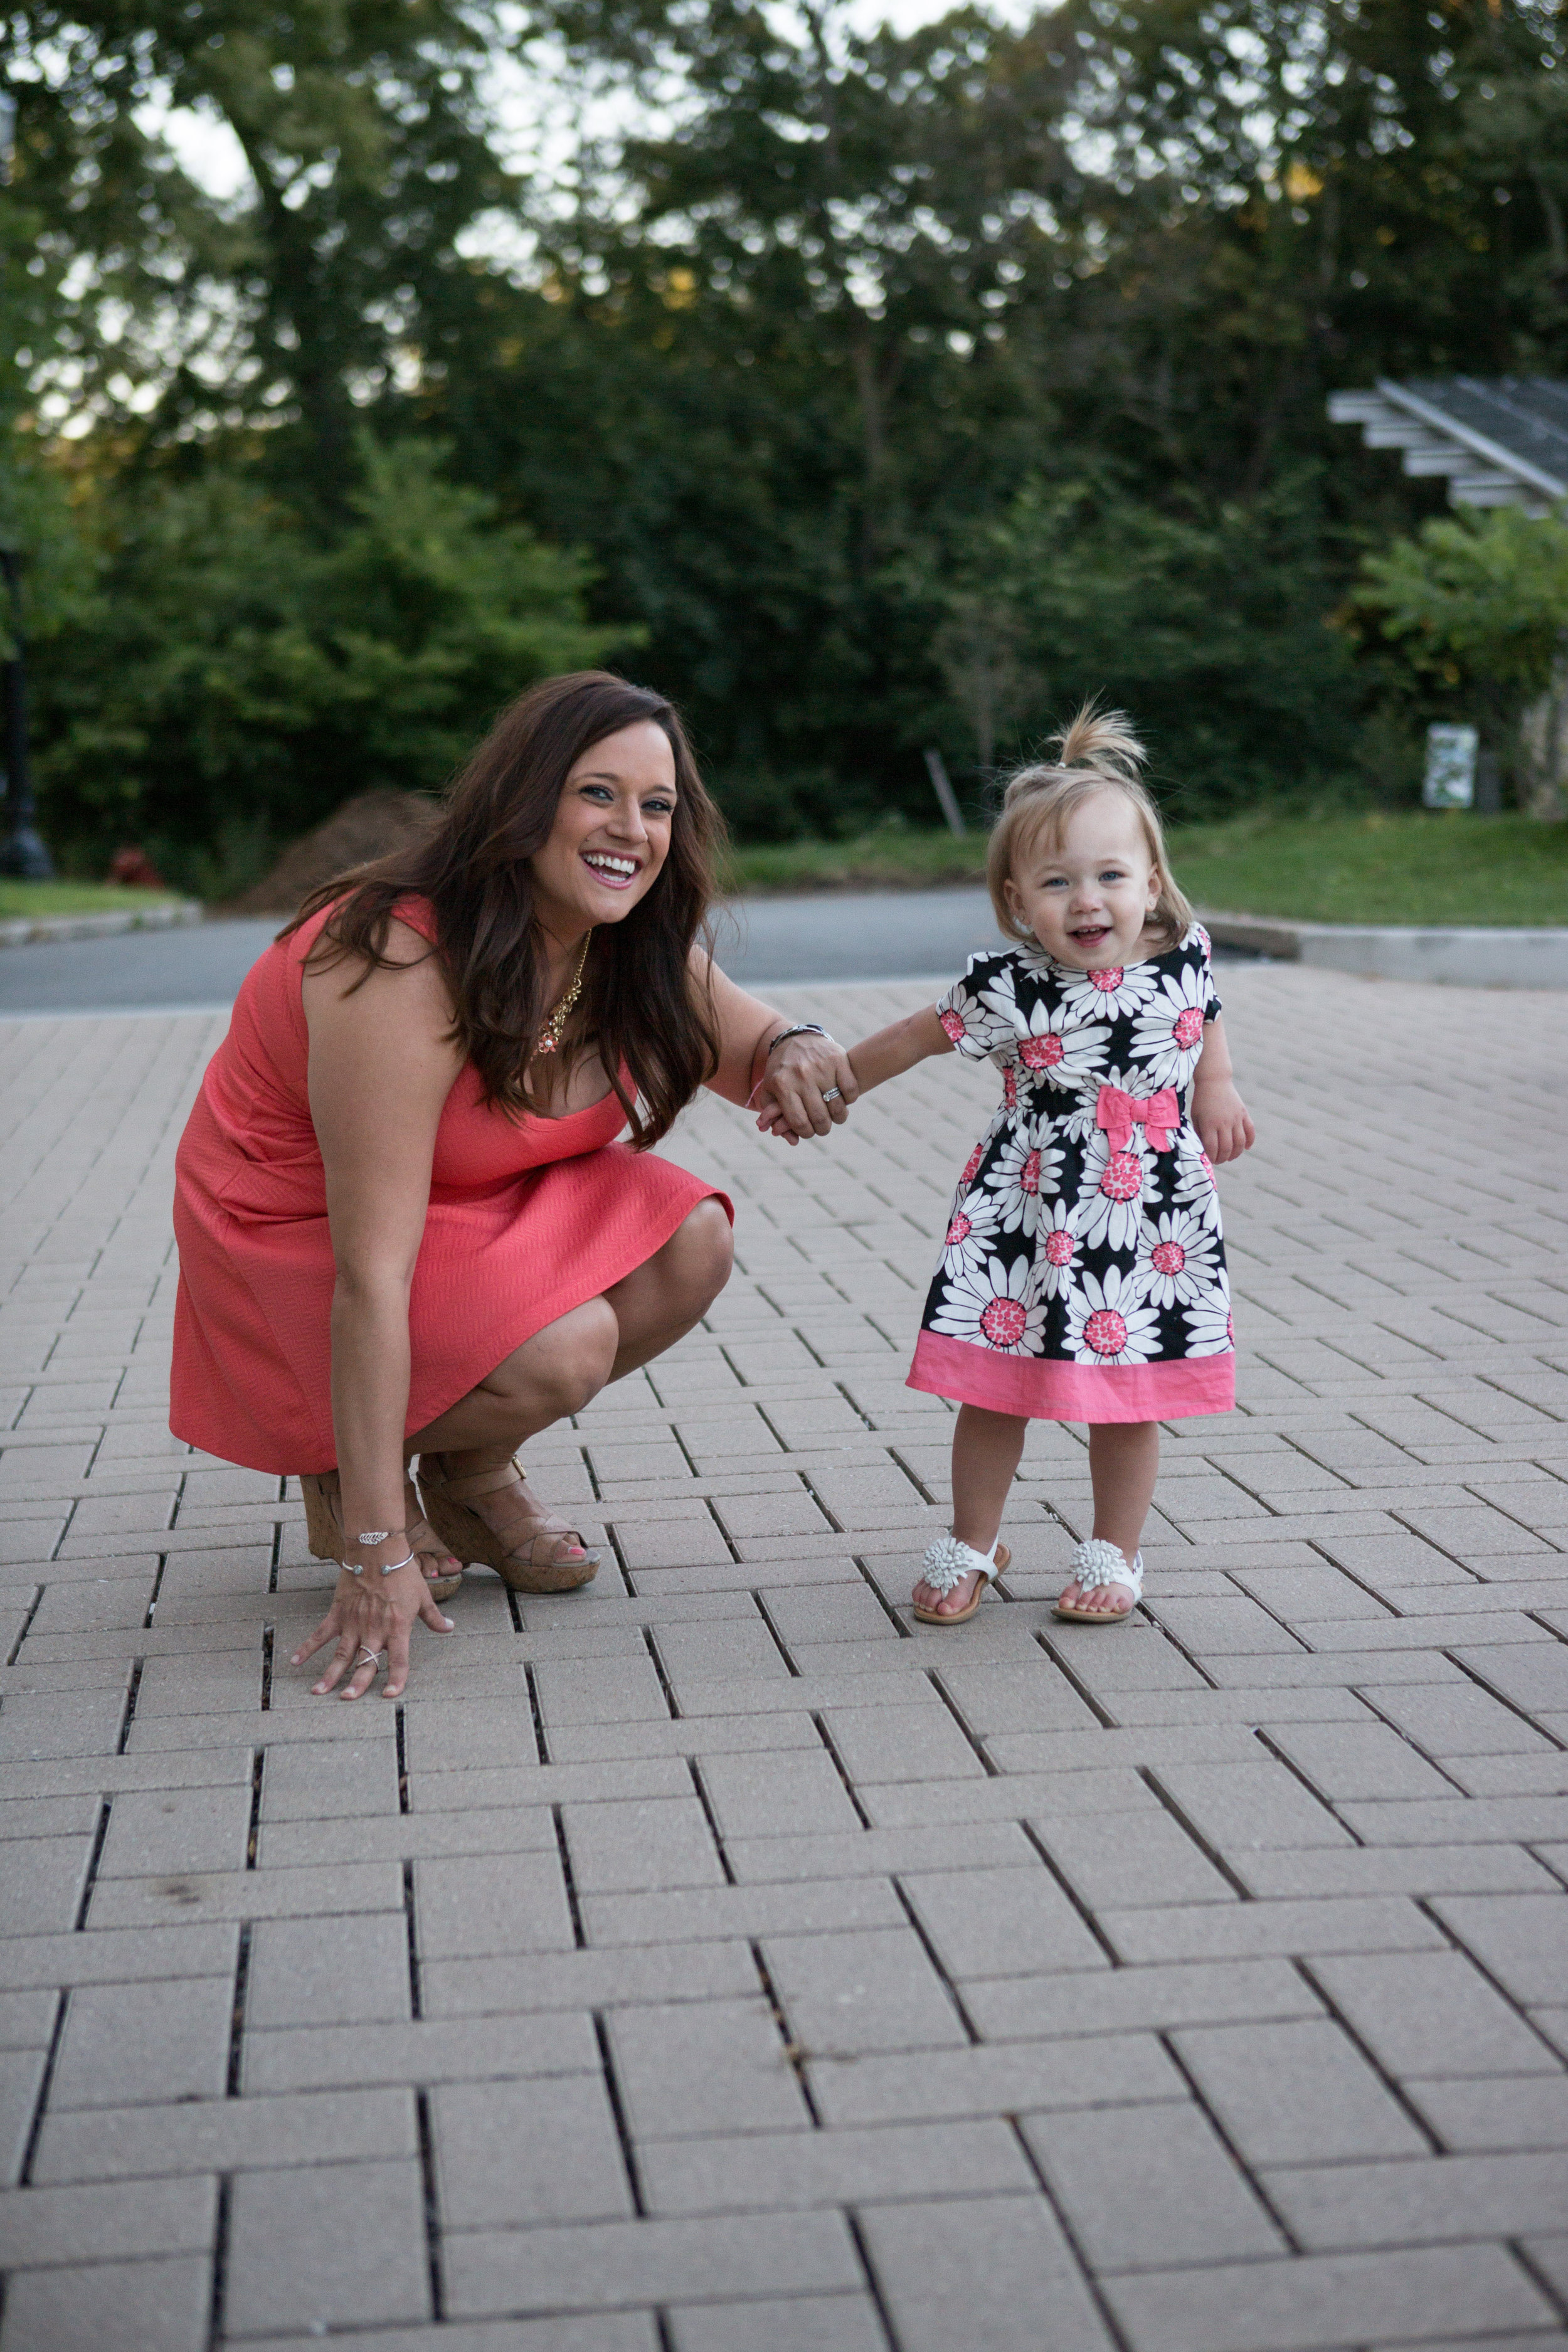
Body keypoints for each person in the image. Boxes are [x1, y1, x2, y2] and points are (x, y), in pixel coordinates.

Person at [170, 670, 857, 1701]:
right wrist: (372, 1548)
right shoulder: (400, 958)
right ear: (526, 798)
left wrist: (802, 1044)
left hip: (467, 1198)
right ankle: (349, 1465)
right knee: (567, 1343)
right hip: (299, 1235)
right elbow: (370, 1272)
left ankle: (466, 1474)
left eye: (657, 804)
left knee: (693, 1240)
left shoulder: (624, 942)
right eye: (598, 793)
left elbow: (759, 1041)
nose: (631, 827)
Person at [761, 706, 1254, 1626]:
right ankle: (974, 1537)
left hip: (1147, 1217)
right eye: (1058, 882)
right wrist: (834, 1090)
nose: (1088, 901)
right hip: (1026, 1208)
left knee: (1127, 1392)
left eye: (1111, 876)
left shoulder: (1183, 954)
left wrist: (1215, 1087)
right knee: (996, 1382)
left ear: (1152, 882)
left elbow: (1208, 1015)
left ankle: (1114, 1548)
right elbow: (914, 1037)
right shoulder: (1007, 985)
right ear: (1017, 900)